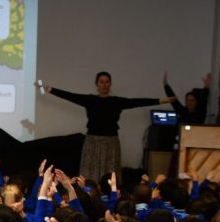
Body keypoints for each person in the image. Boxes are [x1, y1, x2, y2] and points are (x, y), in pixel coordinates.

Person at [39, 71, 170, 180]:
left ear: (110, 84)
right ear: (97, 84)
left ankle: (110, 193)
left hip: (111, 142)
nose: (104, 84)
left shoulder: (116, 101)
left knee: (110, 173)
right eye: (101, 81)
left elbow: (136, 102)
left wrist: (159, 101)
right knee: (90, 172)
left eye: (107, 81)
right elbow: (71, 96)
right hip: (92, 141)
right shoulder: (90, 100)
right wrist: (51, 90)